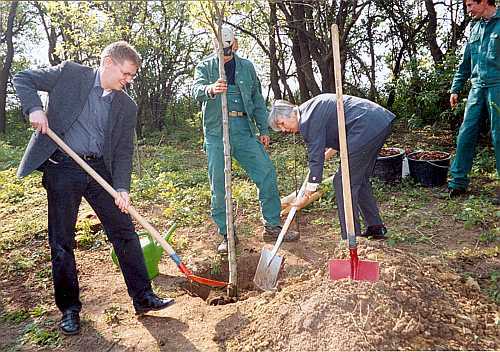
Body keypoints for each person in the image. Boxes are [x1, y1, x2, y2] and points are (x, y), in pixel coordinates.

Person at [13, 41, 174, 336]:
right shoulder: (70, 73)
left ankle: (143, 297)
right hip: (63, 164)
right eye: (126, 74)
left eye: (132, 76)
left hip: (100, 169)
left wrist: (122, 188)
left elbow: (124, 150)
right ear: (109, 62)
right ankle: (70, 310)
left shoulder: (127, 105)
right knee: (61, 241)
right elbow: (22, 78)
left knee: (124, 231)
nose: (129, 80)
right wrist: (34, 108)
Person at [191, 26, 298, 253]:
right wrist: (210, 89)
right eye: (222, 49)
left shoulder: (247, 68)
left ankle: (271, 225)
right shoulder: (205, 66)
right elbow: (195, 90)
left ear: (235, 44)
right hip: (216, 132)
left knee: (266, 172)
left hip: (243, 129)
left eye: (229, 48)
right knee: (219, 186)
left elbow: (257, 100)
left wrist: (263, 129)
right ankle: (227, 235)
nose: (226, 52)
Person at [268, 94, 395, 241]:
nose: (284, 130)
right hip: (377, 122)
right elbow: (338, 131)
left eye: (282, 124)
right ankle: (375, 228)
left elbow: (315, 157)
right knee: (358, 179)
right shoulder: (310, 110)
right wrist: (324, 155)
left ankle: (351, 238)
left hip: (365, 126)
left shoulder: (308, 120)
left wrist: (307, 193)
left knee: (342, 182)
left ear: (290, 113)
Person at [448, 0, 499, 197]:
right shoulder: (475, 27)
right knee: (465, 133)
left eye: (470, 5)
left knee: (499, 136)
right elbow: (466, 62)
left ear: (484, 2)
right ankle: (458, 183)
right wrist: (455, 88)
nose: (468, 10)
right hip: (477, 88)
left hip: (497, 86)